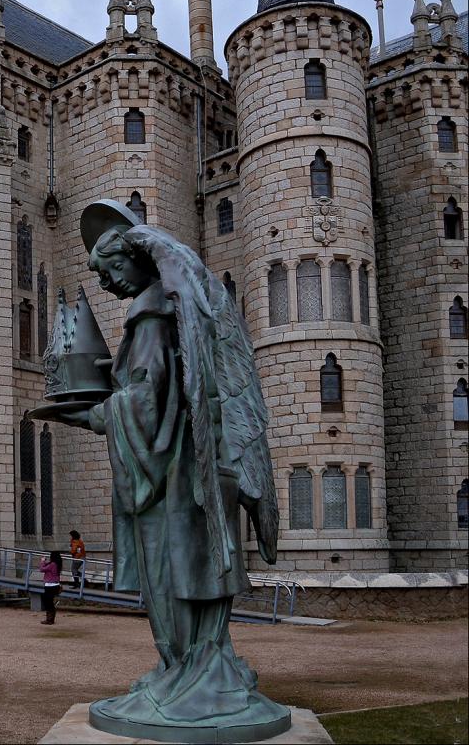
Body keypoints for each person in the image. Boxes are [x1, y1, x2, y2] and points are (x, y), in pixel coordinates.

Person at [46, 202, 290, 741]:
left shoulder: (152, 315)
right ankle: (191, 668)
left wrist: (96, 414)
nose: (108, 285)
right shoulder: (174, 310)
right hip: (189, 471)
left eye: (111, 272)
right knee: (188, 574)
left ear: (137, 262)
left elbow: (148, 400)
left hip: (179, 478)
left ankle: (192, 672)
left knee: (172, 575)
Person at [38, 550, 62, 626]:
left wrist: (42, 561)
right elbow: (47, 568)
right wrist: (45, 562)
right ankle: (50, 618)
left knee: (48, 602)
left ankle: (50, 619)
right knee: (49, 602)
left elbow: (42, 569)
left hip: (50, 585)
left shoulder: (53, 564)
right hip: (54, 585)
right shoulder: (56, 564)